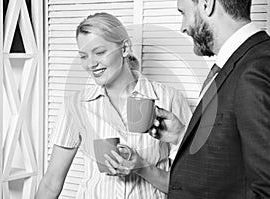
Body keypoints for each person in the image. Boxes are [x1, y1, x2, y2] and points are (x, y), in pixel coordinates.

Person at [148, 0, 270, 198]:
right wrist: (181, 136)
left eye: (184, 12)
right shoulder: (238, 62)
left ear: (207, 1)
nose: (183, 27)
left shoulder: (258, 70)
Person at [35, 12, 191, 199]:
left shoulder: (169, 99)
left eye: (100, 52)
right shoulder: (75, 105)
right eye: (83, 56)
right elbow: (51, 183)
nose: (91, 64)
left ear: (124, 48)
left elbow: (187, 185)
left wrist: (141, 167)